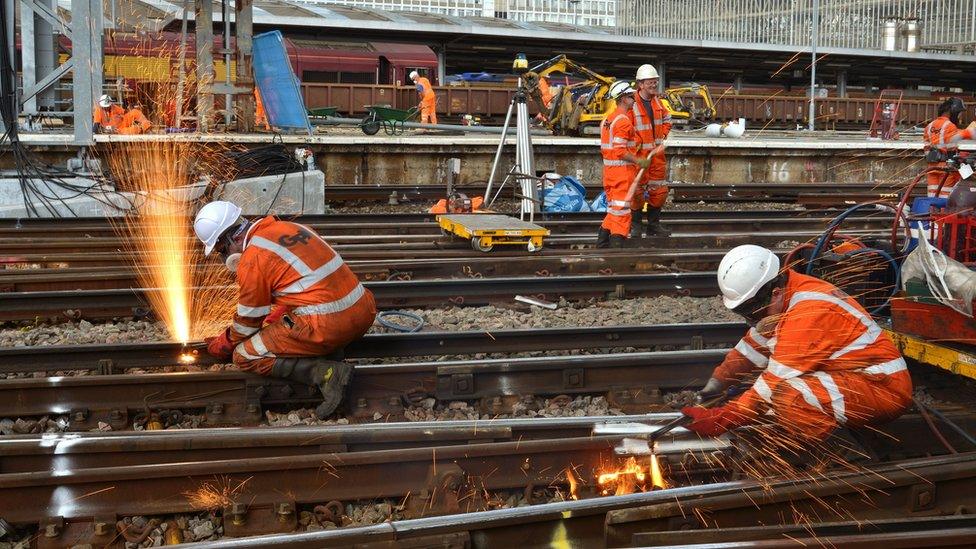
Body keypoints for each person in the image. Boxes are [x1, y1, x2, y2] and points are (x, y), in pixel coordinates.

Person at [682, 244, 912, 442]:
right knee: (771, 398)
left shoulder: (809, 313)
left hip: (881, 387)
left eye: (754, 312)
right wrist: (713, 387)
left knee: (788, 397)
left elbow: (771, 385)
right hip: (851, 378)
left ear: (775, 292)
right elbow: (750, 349)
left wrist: (723, 418)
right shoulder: (785, 297)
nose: (754, 320)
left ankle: (843, 455)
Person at [193, 201, 377, 418]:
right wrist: (274, 320)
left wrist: (225, 342)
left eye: (222, 250)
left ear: (233, 238)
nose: (224, 257)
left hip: (329, 325)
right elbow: (305, 286)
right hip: (364, 311)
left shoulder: (253, 258)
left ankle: (326, 374)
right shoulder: (292, 228)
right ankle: (329, 351)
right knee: (280, 326)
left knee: (244, 355)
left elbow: (247, 323)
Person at [597, 81, 652, 249]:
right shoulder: (623, 122)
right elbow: (620, 151)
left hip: (609, 173)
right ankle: (616, 250)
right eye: (630, 97)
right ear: (622, 99)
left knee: (613, 210)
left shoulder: (607, 120)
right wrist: (639, 161)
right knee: (621, 213)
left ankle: (602, 245)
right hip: (622, 174)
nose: (634, 99)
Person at [629, 64, 672, 237]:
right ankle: (636, 226)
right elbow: (625, 126)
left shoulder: (657, 102)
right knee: (637, 192)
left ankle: (653, 226)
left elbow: (668, 118)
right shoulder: (631, 103)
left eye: (655, 81)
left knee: (659, 191)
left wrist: (663, 134)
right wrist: (636, 143)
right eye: (650, 82)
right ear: (640, 84)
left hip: (656, 156)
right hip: (639, 157)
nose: (653, 85)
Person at [924, 97, 976, 198]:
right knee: (945, 195)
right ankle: (943, 213)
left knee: (932, 195)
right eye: (958, 113)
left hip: (931, 166)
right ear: (952, 112)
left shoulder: (929, 126)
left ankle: (931, 212)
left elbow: (927, 148)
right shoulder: (950, 126)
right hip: (945, 168)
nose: (959, 117)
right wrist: (968, 133)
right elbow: (951, 147)